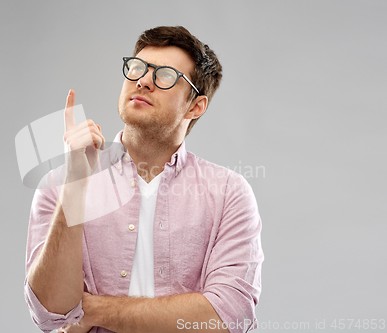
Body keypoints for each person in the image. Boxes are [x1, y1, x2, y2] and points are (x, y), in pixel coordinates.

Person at [24, 26, 263, 333]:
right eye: (137, 68)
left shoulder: (228, 192)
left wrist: (92, 310)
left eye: (165, 75)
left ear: (196, 106)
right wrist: (75, 185)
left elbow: (229, 314)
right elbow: (52, 313)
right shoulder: (60, 185)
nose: (143, 80)